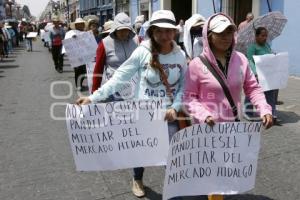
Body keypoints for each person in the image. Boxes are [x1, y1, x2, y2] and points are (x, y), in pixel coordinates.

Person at [76, 10, 187, 199]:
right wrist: (93, 97)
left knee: (172, 156)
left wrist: (175, 107)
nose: (164, 35)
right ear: (151, 31)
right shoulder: (142, 52)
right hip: (143, 113)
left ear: (175, 32)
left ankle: (175, 190)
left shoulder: (181, 55)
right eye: (158, 30)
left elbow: (184, 86)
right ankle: (137, 179)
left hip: (168, 114)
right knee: (140, 152)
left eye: (168, 30)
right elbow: (120, 78)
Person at [184, 13, 272, 129]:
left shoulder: (241, 60)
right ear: (209, 36)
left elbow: (253, 88)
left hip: (233, 129)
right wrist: (203, 115)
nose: (226, 37)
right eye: (220, 33)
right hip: (206, 130)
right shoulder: (196, 64)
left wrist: (264, 109)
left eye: (229, 32)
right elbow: (188, 97)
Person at [91, 12, 139, 94]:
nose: (124, 33)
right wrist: (94, 92)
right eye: (120, 30)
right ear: (115, 29)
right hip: (114, 90)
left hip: (135, 88)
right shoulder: (104, 44)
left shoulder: (137, 40)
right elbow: (98, 69)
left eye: (126, 30)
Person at [246, 27, 281, 125]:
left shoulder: (267, 46)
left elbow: (269, 56)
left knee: (271, 95)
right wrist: (255, 73)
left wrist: (274, 56)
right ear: (256, 36)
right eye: (262, 35)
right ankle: (248, 112)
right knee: (252, 95)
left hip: (268, 75)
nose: (265, 38)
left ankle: (272, 115)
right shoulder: (252, 47)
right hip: (257, 75)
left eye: (266, 36)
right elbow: (250, 61)